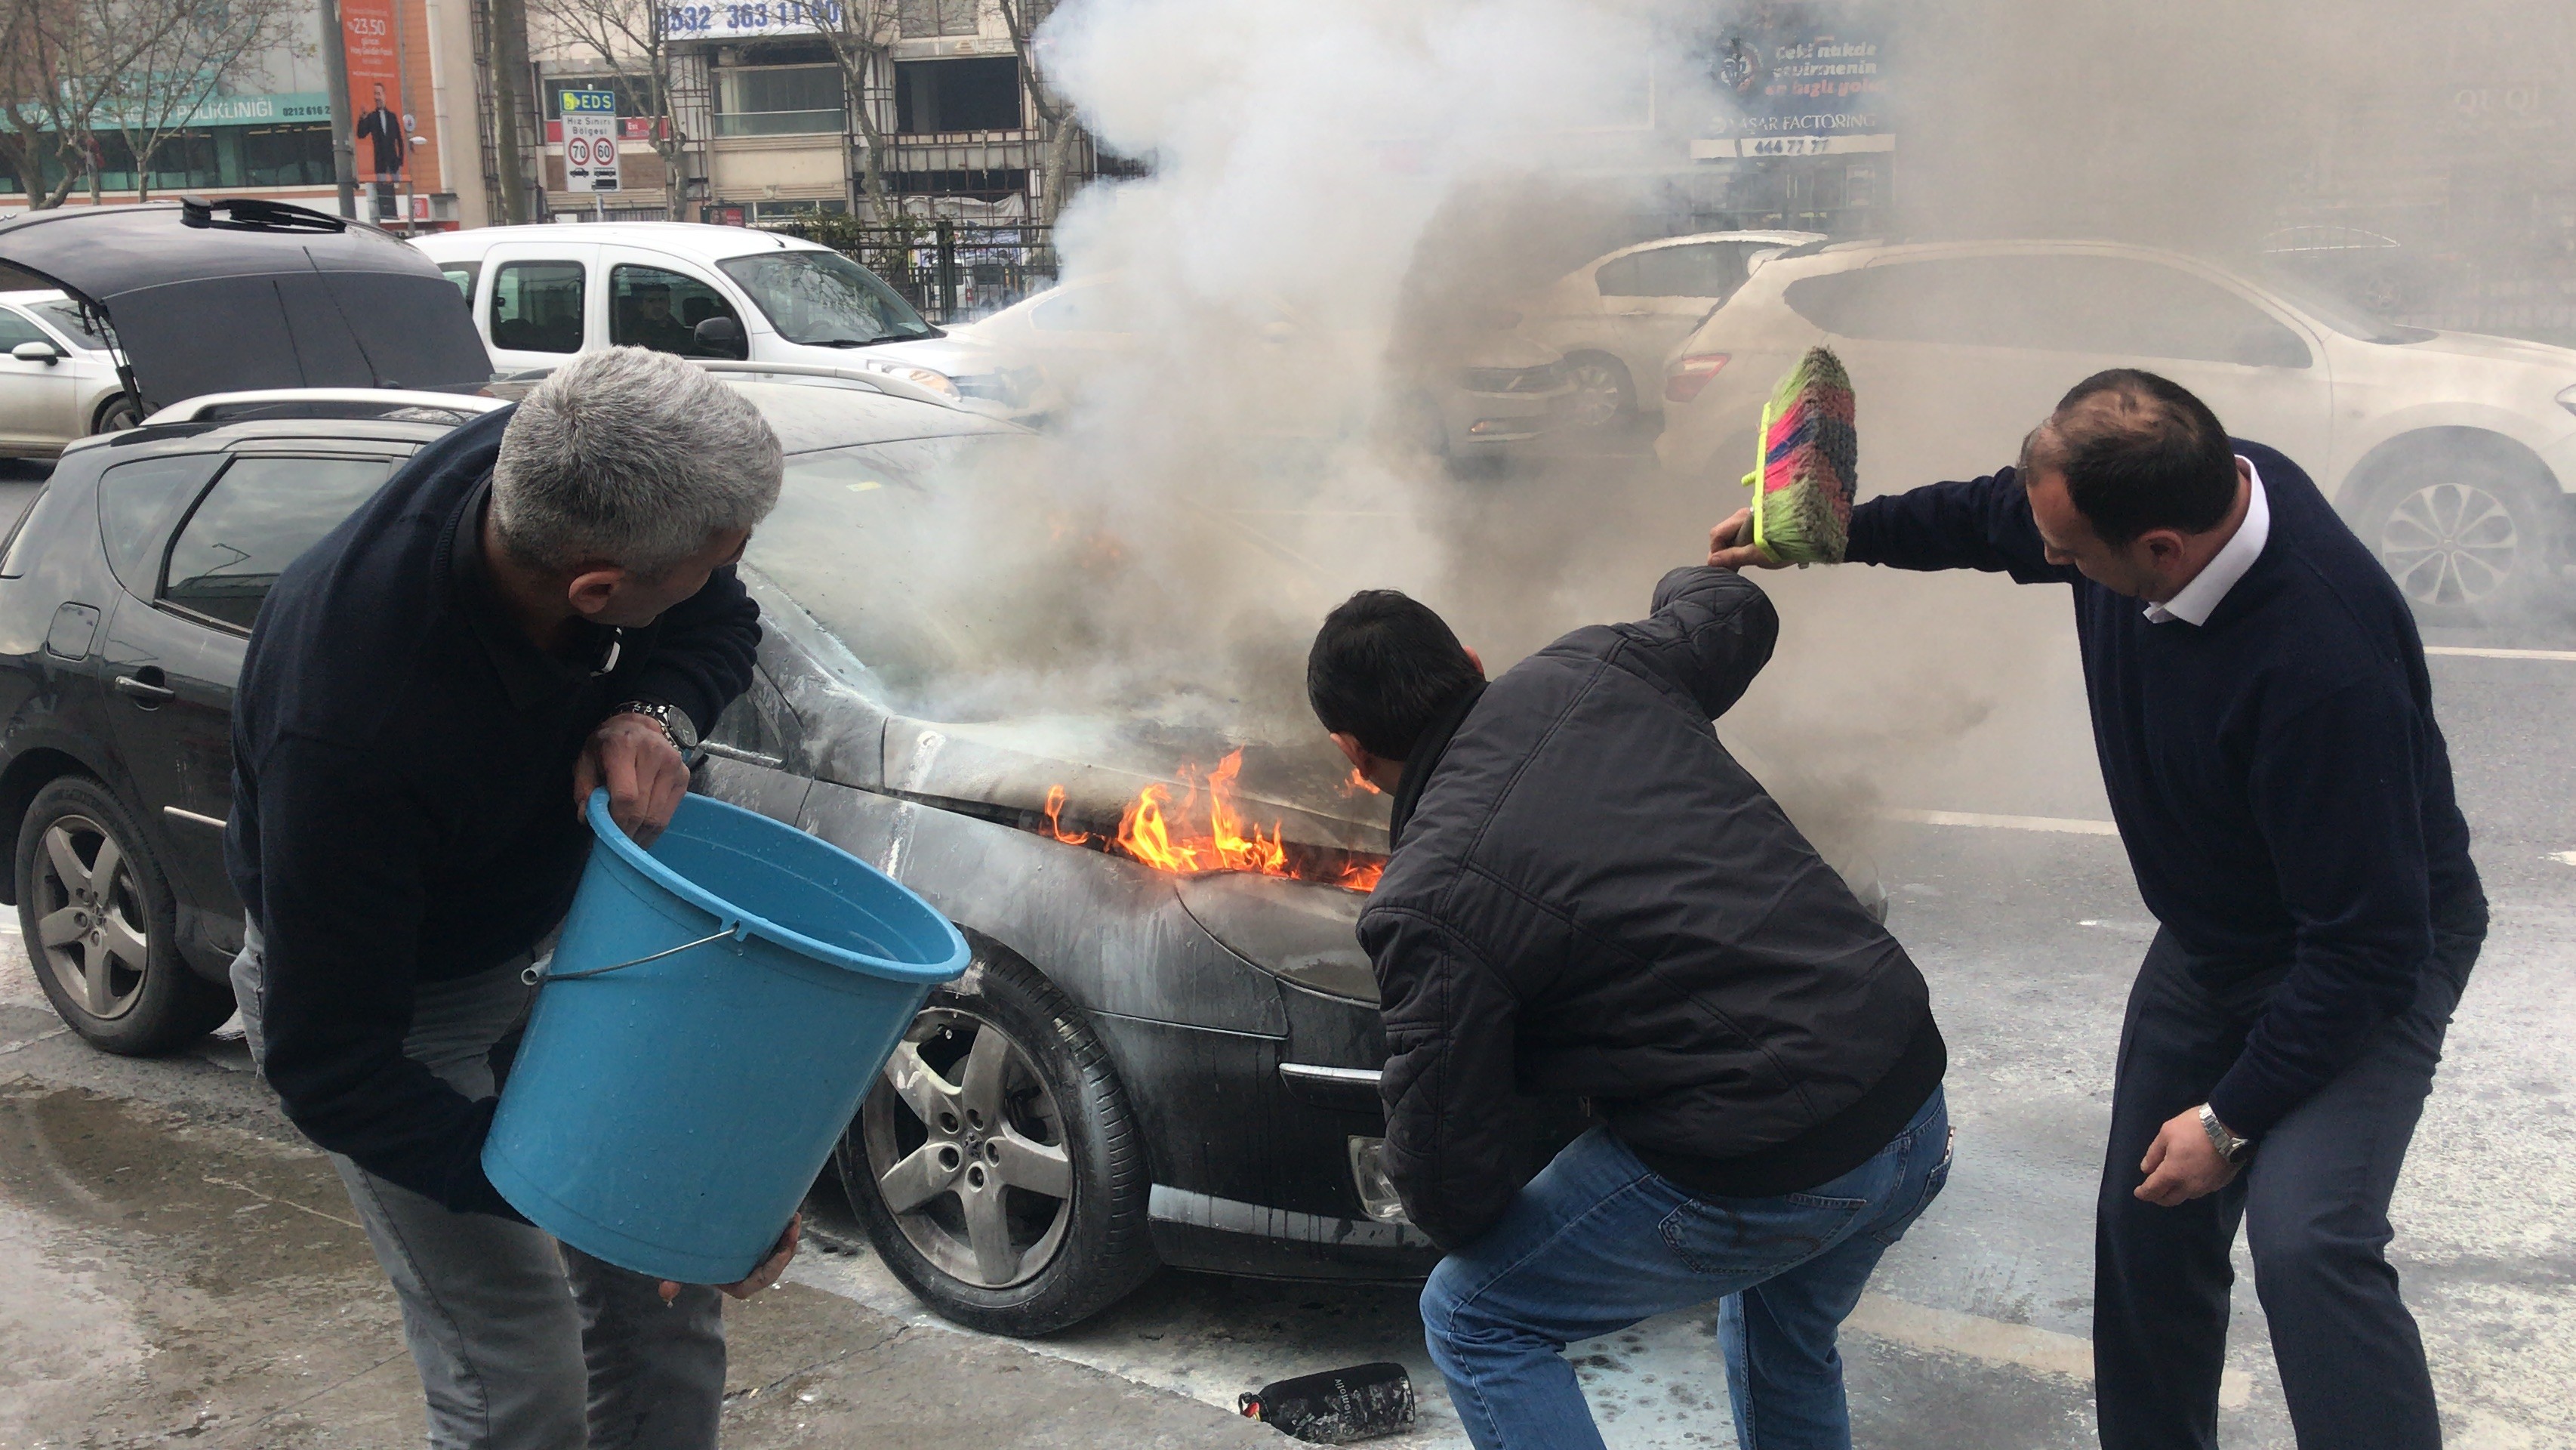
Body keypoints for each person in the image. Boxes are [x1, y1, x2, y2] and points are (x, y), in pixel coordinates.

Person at [1714, 369, 2482, 1450]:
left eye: (2070, 558)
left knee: (2310, 1241)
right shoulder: (2177, 492)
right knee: (2144, 1222)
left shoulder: (2323, 667)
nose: (2051, 563)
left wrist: (2230, 1119)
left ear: (2161, 551)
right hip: (2217, 940)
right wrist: (1831, 535)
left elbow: (2368, 947)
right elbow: (1995, 517)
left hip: (2363, 949)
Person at [227, 347, 793, 1450]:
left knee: (667, 1306)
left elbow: (720, 623)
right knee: (519, 1379)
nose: (726, 574)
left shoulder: (563, 463)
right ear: (597, 589)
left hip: (571, 942)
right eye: (711, 560)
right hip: (400, 1017)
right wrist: (585, 1186)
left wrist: (655, 715)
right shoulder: (351, 724)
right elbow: (330, 1063)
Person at [1306, 562, 1952, 1450]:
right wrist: (1707, 563)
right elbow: (1729, 608)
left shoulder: (1425, 894)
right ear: (1467, 656)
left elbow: (1445, 1167)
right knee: (1780, 1335)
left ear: (1349, 751)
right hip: (1910, 1092)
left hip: (1769, 1157)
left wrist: (1498, 1207)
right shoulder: (1596, 665)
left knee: (1474, 1315)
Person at [353, 82, 405, 182]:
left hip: (394, 162)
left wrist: (400, 161)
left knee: (397, 186)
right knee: (382, 189)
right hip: (380, 163)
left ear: (384, 95)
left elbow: (399, 139)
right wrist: (362, 119)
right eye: (375, 94)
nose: (376, 97)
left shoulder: (392, 117)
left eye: (378, 94)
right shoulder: (372, 117)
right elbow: (361, 134)